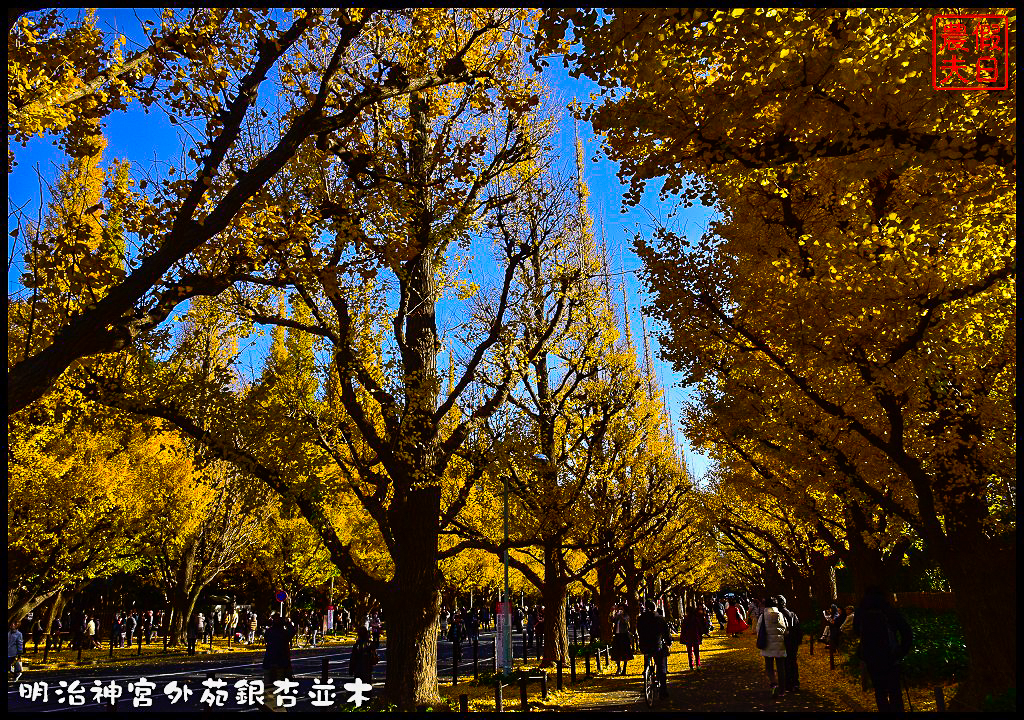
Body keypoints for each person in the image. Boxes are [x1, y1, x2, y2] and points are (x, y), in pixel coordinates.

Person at [854, 586, 913, 713]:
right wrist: (901, 651)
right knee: (895, 691)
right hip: (891, 656)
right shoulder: (888, 610)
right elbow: (906, 632)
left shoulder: (861, 611)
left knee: (879, 691)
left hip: (871, 657)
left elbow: (856, 631)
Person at [637, 600, 672, 698]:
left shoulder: (640, 618)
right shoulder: (660, 618)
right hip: (657, 645)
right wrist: (668, 641)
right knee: (661, 667)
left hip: (644, 645)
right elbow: (666, 633)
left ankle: (647, 674)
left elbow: (639, 631)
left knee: (647, 659)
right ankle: (663, 690)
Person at [756, 597, 789, 698]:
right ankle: (782, 690)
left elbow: (758, 629)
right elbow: (785, 628)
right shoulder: (780, 615)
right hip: (779, 644)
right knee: (781, 668)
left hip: (767, 644)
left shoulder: (763, 616)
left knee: (769, 666)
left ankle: (774, 683)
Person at [263, 614, 297, 707]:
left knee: (268, 686)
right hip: (281, 662)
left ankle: (268, 705)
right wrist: (288, 623)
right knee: (279, 685)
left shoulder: (268, 632)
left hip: (268, 661)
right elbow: (293, 631)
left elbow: (266, 639)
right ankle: (278, 705)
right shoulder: (285, 633)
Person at [775, 595, 802, 692]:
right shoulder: (792, 614)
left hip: (782, 641)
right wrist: (798, 640)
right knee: (793, 662)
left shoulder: (776, 615)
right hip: (792, 642)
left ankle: (787, 684)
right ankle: (795, 683)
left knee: (783, 663)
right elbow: (798, 628)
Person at [610, 602, 635, 675]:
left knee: (625, 653)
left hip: (624, 635)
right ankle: (618, 668)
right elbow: (611, 620)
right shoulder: (617, 615)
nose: (620, 609)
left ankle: (624, 669)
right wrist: (612, 612)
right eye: (619, 608)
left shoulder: (626, 616)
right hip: (617, 636)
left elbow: (625, 621)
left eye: (621, 608)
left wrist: (620, 615)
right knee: (616, 653)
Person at [679, 605, 704, 670]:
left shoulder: (686, 619)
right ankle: (698, 665)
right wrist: (700, 635)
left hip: (688, 638)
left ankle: (691, 665)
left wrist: (682, 637)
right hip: (695, 637)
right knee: (696, 652)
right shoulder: (696, 619)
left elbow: (683, 629)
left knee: (690, 652)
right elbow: (700, 628)